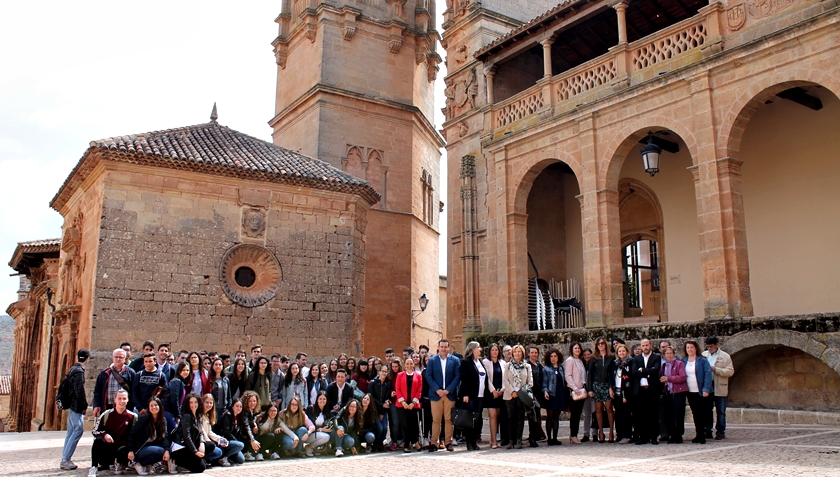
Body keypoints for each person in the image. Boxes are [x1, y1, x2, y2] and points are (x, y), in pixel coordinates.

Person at [89, 389, 137, 477]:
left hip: (123, 447)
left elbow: (135, 435)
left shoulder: (132, 417)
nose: (122, 401)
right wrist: (105, 434)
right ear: (115, 400)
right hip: (109, 446)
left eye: (124, 398)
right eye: (119, 398)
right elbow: (95, 431)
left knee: (123, 451)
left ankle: (121, 464)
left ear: (127, 400)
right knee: (98, 441)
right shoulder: (106, 414)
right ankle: (94, 467)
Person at [426, 339, 460, 452]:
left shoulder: (455, 360)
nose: (444, 349)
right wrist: (437, 389)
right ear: (438, 347)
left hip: (449, 394)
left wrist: (448, 390)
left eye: (446, 347)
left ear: (448, 347)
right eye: (442, 346)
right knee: (436, 420)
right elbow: (429, 376)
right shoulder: (432, 360)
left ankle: (448, 442)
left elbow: (457, 376)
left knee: (449, 419)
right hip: (436, 395)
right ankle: (434, 442)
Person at [60, 348, 89, 471]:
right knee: (78, 430)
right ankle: (66, 459)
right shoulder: (79, 372)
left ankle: (65, 457)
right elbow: (79, 391)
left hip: (70, 405)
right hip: (75, 406)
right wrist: (84, 405)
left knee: (71, 431)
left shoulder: (72, 369)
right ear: (87, 358)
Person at [171, 393, 215, 473]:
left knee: (210, 445)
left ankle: (191, 461)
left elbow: (200, 431)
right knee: (201, 468)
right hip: (181, 447)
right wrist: (195, 451)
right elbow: (187, 436)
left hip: (190, 446)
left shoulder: (197, 416)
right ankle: (176, 462)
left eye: (195, 402)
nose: (193, 405)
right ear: (187, 404)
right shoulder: (186, 416)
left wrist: (202, 442)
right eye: (191, 402)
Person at [126, 397, 170, 476]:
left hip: (152, 448)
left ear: (160, 406)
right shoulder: (144, 419)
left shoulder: (162, 420)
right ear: (148, 408)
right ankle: (137, 463)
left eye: (156, 405)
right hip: (140, 449)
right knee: (161, 451)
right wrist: (131, 450)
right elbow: (132, 434)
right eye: (151, 406)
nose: (154, 407)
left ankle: (147, 465)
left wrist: (167, 450)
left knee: (165, 452)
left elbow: (165, 437)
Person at [632, 338, 662, 445]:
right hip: (640, 390)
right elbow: (635, 372)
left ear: (650, 345)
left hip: (652, 390)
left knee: (653, 414)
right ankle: (643, 437)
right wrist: (648, 372)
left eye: (647, 345)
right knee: (641, 415)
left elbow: (656, 371)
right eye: (643, 346)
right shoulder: (636, 359)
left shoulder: (656, 357)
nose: (645, 347)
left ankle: (653, 437)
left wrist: (643, 370)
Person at [703, 336, 734, 440]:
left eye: (711, 346)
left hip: (719, 385)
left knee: (721, 411)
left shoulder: (725, 356)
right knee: (707, 409)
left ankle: (720, 431)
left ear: (717, 345)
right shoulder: (704, 355)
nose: (709, 348)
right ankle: (707, 430)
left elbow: (730, 371)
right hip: (708, 385)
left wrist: (716, 370)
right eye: (707, 347)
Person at [459, 342, 488, 451]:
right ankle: (469, 442)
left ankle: (474, 441)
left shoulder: (480, 362)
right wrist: (465, 394)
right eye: (478, 347)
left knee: (477, 419)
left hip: (480, 395)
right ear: (472, 349)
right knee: (470, 419)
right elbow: (464, 379)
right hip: (471, 395)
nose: (480, 349)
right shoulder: (466, 362)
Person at [682, 340, 713, 444]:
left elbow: (708, 374)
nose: (689, 349)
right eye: (688, 348)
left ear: (695, 348)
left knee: (702, 413)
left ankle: (702, 434)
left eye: (691, 347)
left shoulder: (702, 360)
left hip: (701, 391)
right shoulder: (684, 361)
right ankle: (698, 433)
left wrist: (706, 389)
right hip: (690, 391)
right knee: (695, 413)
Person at [502, 344, 532, 450]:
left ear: (522, 353)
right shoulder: (508, 366)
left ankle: (519, 439)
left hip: (522, 395)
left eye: (519, 351)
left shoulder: (527, 366)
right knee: (510, 418)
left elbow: (530, 382)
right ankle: (511, 440)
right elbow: (505, 380)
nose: (517, 353)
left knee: (520, 418)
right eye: (515, 352)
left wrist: (521, 391)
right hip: (510, 395)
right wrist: (512, 391)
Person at [587, 337, 616, 443]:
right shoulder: (594, 358)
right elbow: (590, 374)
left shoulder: (611, 357)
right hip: (596, 385)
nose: (601, 345)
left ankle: (611, 432)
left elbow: (612, 373)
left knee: (609, 408)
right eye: (598, 344)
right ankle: (600, 432)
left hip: (607, 385)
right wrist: (590, 389)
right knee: (598, 409)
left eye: (602, 343)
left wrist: (610, 387)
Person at [93, 348, 136, 418]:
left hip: (125, 408)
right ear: (112, 358)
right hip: (108, 408)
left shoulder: (131, 373)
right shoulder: (104, 373)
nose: (118, 359)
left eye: (121, 357)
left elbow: (135, 391)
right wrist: (96, 405)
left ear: (124, 359)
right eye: (116, 357)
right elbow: (98, 391)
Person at [659, 346, 688, 444]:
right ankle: (672, 435)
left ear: (674, 354)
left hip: (679, 392)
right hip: (668, 392)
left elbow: (682, 377)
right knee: (669, 415)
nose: (669, 355)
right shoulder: (664, 365)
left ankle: (679, 435)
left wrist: (668, 379)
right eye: (667, 353)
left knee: (678, 414)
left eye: (671, 353)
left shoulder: (680, 364)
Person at [395, 357, 423, 452]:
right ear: (405, 365)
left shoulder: (418, 376)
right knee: (404, 424)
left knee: (413, 425)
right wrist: (403, 402)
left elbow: (419, 390)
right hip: (401, 404)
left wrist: (413, 403)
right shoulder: (400, 375)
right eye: (407, 364)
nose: (409, 366)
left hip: (413, 404)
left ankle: (409, 444)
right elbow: (397, 389)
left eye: (411, 364)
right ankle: (414, 442)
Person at [482, 343, 507, 449]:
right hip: (490, 393)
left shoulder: (503, 363)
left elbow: (506, 377)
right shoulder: (486, 362)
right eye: (492, 350)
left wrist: (502, 390)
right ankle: (493, 441)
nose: (495, 352)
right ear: (489, 351)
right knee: (492, 416)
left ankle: (498, 439)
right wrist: (493, 391)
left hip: (501, 392)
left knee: (499, 415)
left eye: (496, 350)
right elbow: (486, 377)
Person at [215, 399, 253, 465]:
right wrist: (236, 441)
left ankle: (229, 457)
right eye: (237, 406)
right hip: (225, 440)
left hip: (233, 441)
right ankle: (223, 458)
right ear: (232, 406)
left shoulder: (239, 417)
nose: (239, 408)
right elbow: (226, 431)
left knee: (241, 460)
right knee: (241, 445)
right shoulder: (227, 415)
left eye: (240, 406)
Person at [541, 347, 565, 446]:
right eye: (551, 356)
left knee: (556, 416)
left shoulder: (561, 368)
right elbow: (544, 382)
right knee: (550, 416)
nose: (553, 358)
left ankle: (555, 438)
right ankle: (549, 438)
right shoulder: (546, 369)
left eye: (555, 356)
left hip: (559, 394)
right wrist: (545, 391)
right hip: (551, 394)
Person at [564, 341, 586, 444]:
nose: (577, 350)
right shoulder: (570, 360)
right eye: (575, 348)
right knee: (575, 414)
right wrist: (574, 388)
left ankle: (575, 434)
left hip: (581, 390)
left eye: (578, 348)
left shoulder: (580, 360)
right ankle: (573, 435)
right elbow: (568, 375)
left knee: (578, 413)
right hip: (575, 391)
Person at [612, 344, 634, 444]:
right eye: (619, 351)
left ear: (627, 352)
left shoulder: (630, 362)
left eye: (623, 351)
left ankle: (627, 435)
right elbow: (611, 377)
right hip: (617, 392)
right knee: (618, 414)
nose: (621, 353)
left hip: (626, 392)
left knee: (626, 414)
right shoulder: (615, 364)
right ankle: (620, 434)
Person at [368, 366, 391, 451]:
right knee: (379, 428)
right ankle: (375, 445)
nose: (384, 373)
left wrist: (382, 411)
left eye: (386, 371)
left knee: (384, 428)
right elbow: (371, 397)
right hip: (374, 410)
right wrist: (382, 405)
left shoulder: (387, 384)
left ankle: (380, 444)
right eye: (383, 371)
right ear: (379, 372)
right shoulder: (373, 383)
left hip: (383, 410)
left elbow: (386, 398)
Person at [526, 345, 545, 446]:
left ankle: (537, 434)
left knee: (537, 415)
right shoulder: (527, 365)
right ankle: (532, 437)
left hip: (539, 393)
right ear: (528, 354)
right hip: (531, 393)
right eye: (532, 352)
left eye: (536, 353)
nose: (534, 354)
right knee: (532, 416)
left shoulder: (538, 364)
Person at [164, 362, 190, 427]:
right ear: (179, 370)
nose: (186, 372)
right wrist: (177, 415)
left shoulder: (182, 382)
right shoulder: (176, 381)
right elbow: (175, 399)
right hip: (168, 411)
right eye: (183, 370)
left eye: (187, 370)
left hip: (173, 412)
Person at [386, 357, 403, 449]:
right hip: (393, 401)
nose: (395, 368)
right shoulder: (390, 376)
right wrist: (391, 392)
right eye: (393, 366)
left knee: (403, 421)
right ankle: (394, 441)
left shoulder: (403, 374)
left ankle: (404, 441)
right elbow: (387, 387)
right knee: (395, 422)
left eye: (396, 366)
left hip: (402, 401)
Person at [240, 391, 262, 460]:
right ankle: (247, 452)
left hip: (251, 435)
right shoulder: (244, 411)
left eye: (254, 401)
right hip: (244, 436)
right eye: (250, 401)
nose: (253, 403)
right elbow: (246, 426)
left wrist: (255, 424)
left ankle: (257, 452)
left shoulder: (253, 410)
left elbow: (254, 419)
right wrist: (252, 440)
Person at [657, 340, 672, 442]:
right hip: (660, 388)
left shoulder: (677, 360)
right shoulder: (656, 360)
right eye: (663, 347)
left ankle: (674, 433)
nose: (665, 349)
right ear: (660, 349)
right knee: (661, 413)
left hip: (672, 389)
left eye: (667, 346)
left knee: (672, 412)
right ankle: (664, 433)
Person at [581, 348, 596, 443]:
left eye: (589, 354)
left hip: (593, 391)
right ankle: (586, 433)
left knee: (595, 413)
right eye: (585, 354)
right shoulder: (581, 365)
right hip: (584, 391)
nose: (587, 356)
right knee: (586, 414)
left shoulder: (594, 364)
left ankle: (595, 433)